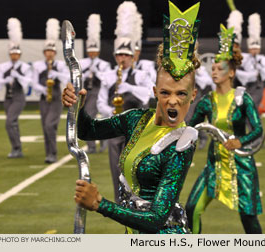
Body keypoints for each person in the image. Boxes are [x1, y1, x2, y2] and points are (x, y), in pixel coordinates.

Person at [62, 1, 201, 234]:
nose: (173, 101)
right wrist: (78, 106)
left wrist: (100, 204)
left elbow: (156, 219)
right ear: (155, 92)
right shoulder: (136, 119)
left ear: (193, 95)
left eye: (182, 94)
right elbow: (88, 131)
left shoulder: (182, 143)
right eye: (165, 92)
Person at [185, 25, 263, 234]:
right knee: (192, 208)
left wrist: (240, 141)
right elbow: (190, 127)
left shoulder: (242, 98)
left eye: (220, 69)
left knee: (248, 215)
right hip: (215, 164)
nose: (215, 72)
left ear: (232, 73)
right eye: (213, 68)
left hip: (241, 164)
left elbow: (258, 130)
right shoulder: (207, 101)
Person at [96, 1, 154, 202]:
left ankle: (137, 198)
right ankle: (120, 200)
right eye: (119, 54)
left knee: (133, 166)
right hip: (115, 127)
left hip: (135, 128)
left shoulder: (140, 74)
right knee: (115, 167)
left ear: (132, 57)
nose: (122, 58)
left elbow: (148, 96)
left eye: (126, 55)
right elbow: (101, 102)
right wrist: (110, 114)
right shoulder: (109, 76)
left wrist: (129, 88)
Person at [32, 18, 69, 163]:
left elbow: (66, 77)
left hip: (55, 98)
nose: (49, 53)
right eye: (47, 51)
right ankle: (49, 153)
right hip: (43, 98)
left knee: (49, 125)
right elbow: (34, 83)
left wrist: (56, 74)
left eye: (52, 51)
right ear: (44, 52)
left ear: (55, 52)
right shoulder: (38, 66)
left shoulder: (59, 65)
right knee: (45, 127)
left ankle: (52, 153)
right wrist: (43, 89)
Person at [0, 18, 32, 158]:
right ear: (10, 54)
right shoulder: (4, 66)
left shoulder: (24, 67)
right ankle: (17, 149)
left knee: (9, 122)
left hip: (18, 97)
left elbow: (26, 83)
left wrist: (17, 75)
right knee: (13, 123)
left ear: (20, 54)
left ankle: (17, 147)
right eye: (12, 54)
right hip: (8, 97)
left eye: (17, 54)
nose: (14, 56)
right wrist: (6, 78)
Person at [80, 14, 111, 154]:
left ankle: (103, 141)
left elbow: (107, 78)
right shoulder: (83, 63)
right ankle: (91, 145)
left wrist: (96, 71)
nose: (92, 53)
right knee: (89, 116)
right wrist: (86, 74)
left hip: (100, 91)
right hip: (88, 92)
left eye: (94, 50)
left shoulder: (104, 64)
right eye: (90, 50)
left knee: (103, 117)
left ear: (98, 51)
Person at [235, 13, 265, 110]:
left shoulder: (263, 59)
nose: (254, 50)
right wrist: (251, 75)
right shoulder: (244, 58)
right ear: (249, 49)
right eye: (252, 48)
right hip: (244, 86)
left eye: (256, 48)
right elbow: (237, 71)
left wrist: (259, 70)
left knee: (252, 108)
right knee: (242, 109)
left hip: (257, 88)